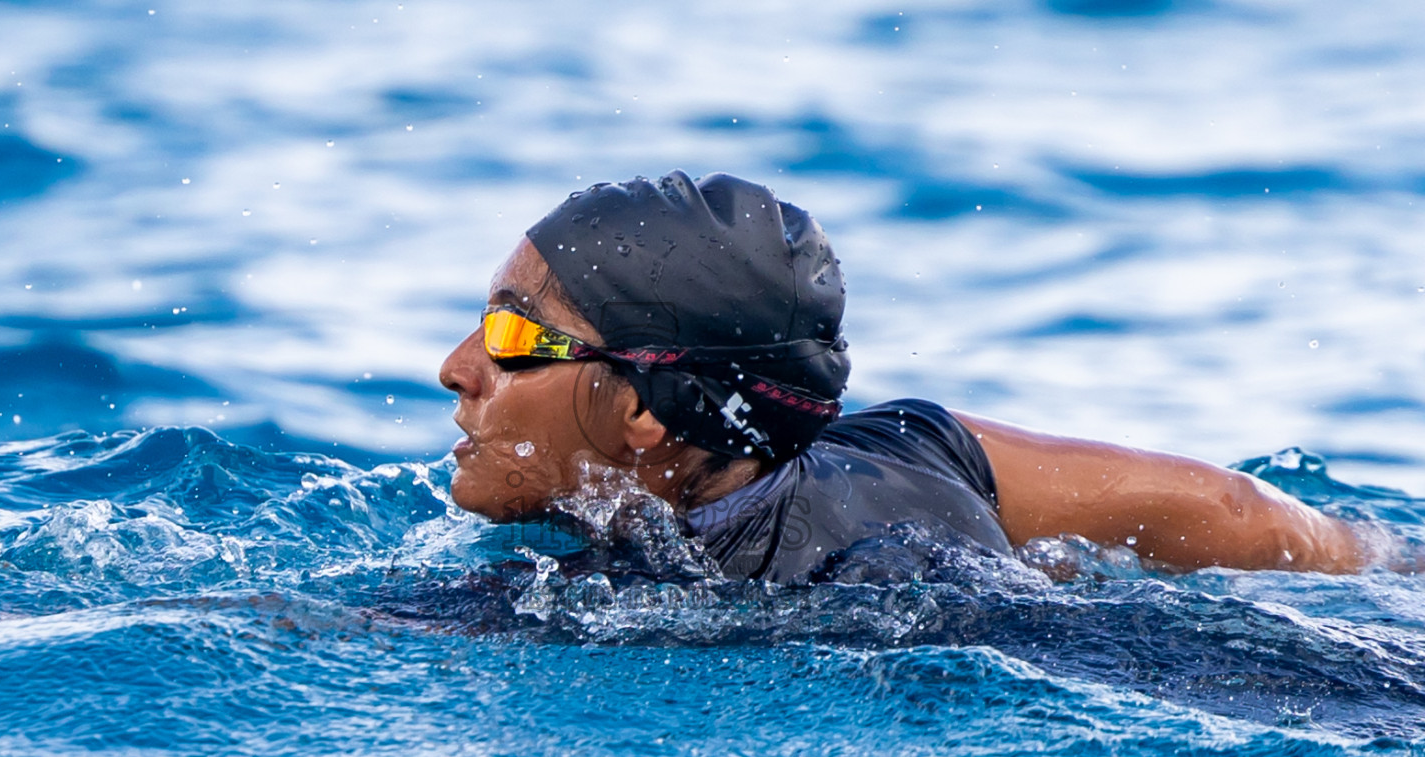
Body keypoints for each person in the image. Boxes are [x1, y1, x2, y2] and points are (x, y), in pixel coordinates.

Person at [438, 170, 1379, 582]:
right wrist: (1384, 562)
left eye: (510, 336)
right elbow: (1235, 510)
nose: (456, 369)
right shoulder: (917, 446)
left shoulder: (642, 594)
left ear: (642, 410)